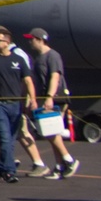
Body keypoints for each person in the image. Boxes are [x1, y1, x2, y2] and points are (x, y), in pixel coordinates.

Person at [0, 26, 35, 182]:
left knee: (11, 138)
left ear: (7, 42)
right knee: (4, 136)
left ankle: (2, 167)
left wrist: (33, 100)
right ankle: (10, 171)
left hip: (15, 104)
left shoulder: (18, 59)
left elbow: (28, 81)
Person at [22, 29, 78, 179]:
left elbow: (55, 77)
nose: (30, 42)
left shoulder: (52, 56)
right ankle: (59, 166)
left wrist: (49, 97)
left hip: (56, 97)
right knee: (50, 133)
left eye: (31, 39)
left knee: (51, 131)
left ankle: (68, 159)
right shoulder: (39, 57)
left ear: (40, 39)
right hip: (45, 97)